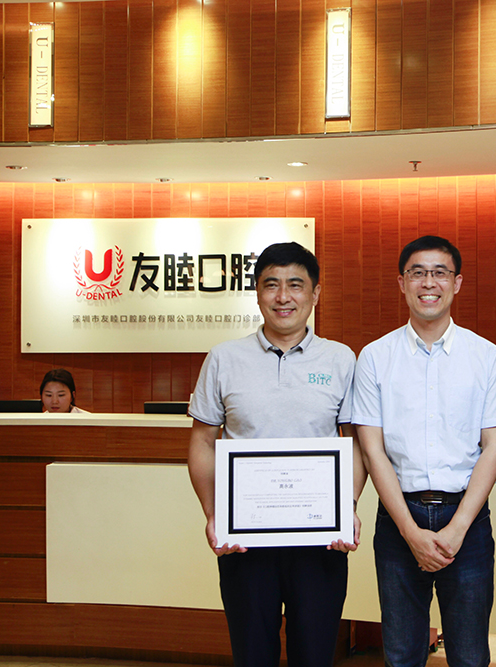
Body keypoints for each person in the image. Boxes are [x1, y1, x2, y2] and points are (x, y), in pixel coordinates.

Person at [187, 242, 366, 667]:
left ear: (315, 293)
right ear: (257, 293)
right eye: (271, 285)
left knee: (315, 654)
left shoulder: (341, 359)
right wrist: (213, 514)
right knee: (252, 654)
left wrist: (348, 507)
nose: (283, 296)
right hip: (245, 542)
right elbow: (202, 441)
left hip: (320, 539)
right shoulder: (224, 358)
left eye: (295, 285)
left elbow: (356, 442)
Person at [351, 235, 496, 667]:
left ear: (456, 283)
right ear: (401, 283)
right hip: (398, 518)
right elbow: (372, 450)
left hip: (468, 519)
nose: (429, 283)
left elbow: (494, 445)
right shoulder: (374, 358)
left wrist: (458, 528)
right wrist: (409, 531)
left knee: (470, 654)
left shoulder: (486, 356)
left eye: (440, 273)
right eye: (417, 273)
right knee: (402, 654)